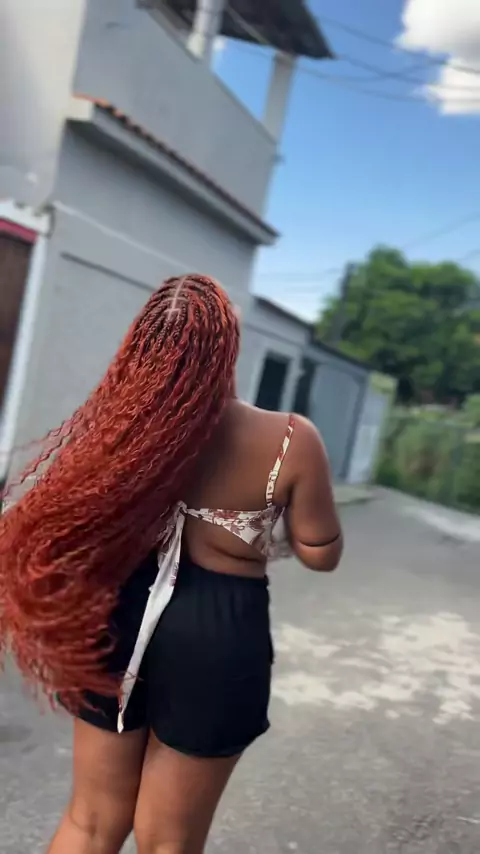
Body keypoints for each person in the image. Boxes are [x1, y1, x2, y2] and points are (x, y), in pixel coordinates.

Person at [0, 274, 342, 854]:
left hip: (119, 617)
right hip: (218, 632)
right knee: (169, 842)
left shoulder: (121, 430)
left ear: (141, 344)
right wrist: (277, 535)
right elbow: (321, 552)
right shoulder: (289, 439)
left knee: (90, 821)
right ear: (227, 348)